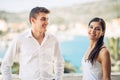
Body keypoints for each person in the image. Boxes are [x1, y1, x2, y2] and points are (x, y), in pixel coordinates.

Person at [1, 7, 64, 80]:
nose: (46, 22)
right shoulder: (20, 39)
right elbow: (6, 65)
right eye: (43, 19)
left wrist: (58, 78)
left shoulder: (53, 39)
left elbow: (59, 62)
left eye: (47, 19)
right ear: (33, 20)